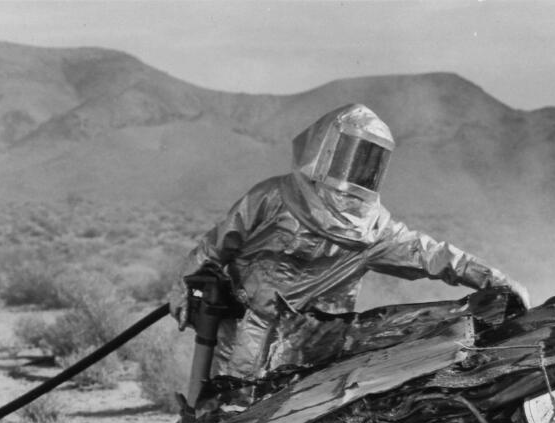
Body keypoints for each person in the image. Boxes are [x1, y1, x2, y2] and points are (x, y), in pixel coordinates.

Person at [169, 103, 530, 384]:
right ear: (323, 150)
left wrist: (493, 280)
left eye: (369, 161)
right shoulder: (272, 198)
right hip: (244, 334)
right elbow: (213, 248)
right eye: (351, 155)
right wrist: (185, 287)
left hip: (311, 350)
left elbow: (430, 254)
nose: (357, 170)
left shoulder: (373, 228)